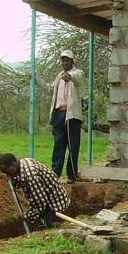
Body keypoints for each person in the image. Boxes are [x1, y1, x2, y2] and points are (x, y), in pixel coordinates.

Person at [0, 152, 70, 227]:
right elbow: (20, 180)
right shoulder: (23, 163)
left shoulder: (31, 176)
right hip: (46, 197)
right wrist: (14, 181)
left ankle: (54, 225)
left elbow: (41, 204)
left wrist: (27, 216)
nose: (8, 175)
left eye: (8, 172)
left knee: (47, 225)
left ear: (13, 164)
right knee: (41, 220)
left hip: (55, 202)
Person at [49, 48, 84, 181]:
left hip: (71, 115)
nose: (65, 63)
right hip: (59, 114)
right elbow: (50, 89)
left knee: (73, 146)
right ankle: (55, 174)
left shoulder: (78, 73)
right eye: (63, 60)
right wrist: (36, 80)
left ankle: (72, 175)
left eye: (67, 60)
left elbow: (76, 79)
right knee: (58, 145)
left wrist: (69, 77)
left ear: (72, 61)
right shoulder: (59, 76)